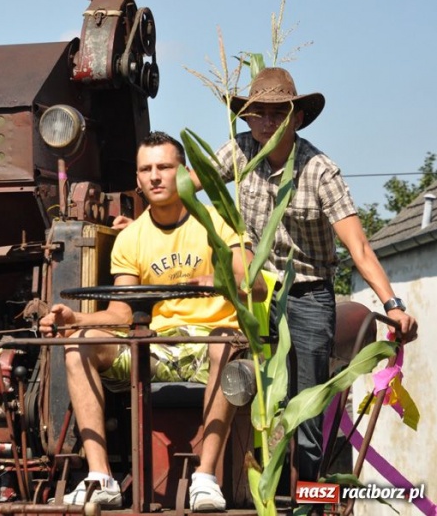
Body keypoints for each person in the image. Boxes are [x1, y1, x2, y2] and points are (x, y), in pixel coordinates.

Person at [41, 131, 265, 512]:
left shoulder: (218, 222)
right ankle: (102, 479)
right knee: (80, 345)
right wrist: (75, 317)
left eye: (165, 167)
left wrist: (225, 278)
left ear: (183, 173)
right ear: (139, 180)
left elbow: (256, 287)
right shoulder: (132, 238)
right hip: (158, 346)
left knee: (226, 346)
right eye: (147, 169)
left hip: (212, 342)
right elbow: (123, 314)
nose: (156, 176)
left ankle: (206, 479)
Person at [215, 66, 418, 485]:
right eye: (258, 114)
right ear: (247, 118)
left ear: (297, 118)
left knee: (305, 407)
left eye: (278, 114)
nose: (267, 123)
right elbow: (187, 187)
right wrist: (145, 216)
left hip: (307, 295)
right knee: (249, 389)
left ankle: (308, 499)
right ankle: (243, 486)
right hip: (256, 293)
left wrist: (392, 305)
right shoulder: (238, 152)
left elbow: (358, 246)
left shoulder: (320, 169)